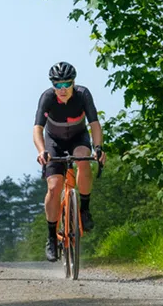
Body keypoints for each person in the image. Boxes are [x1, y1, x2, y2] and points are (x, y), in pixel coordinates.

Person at [33, 61, 107, 262]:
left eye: (66, 84)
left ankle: (84, 209)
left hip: (78, 137)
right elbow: (37, 129)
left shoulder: (83, 95)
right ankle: (51, 236)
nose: (62, 89)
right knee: (54, 186)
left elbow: (94, 124)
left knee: (84, 160)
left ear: (74, 83)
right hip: (54, 142)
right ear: (52, 85)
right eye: (57, 85)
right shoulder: (47, 97)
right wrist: (42, 151)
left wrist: (98, 148)